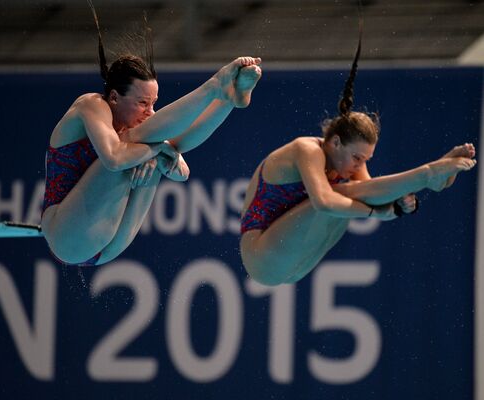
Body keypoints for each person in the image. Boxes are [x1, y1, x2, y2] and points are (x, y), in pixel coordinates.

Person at [239, 36, 476, 286]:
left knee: (351, 194)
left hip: (298, 265)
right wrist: (376, 212)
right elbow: (323, 202)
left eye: (365, 159)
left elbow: (373, 193)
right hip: (263, 258)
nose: (359, 164)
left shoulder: (350, 161)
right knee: (338, 194)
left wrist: (400, 203)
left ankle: (430, 179)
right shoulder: (306, 149)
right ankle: (425, 174)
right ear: (336, 142)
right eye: (357, 157)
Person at [41, 6, 262, 266]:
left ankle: (226, 99)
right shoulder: (91, 105)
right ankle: (215, 89)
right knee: (133, 149)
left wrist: (160, 152)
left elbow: (181, 167)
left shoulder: (139, 134)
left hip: (109, 245)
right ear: (114, 97)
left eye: (154, 103)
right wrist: (159, 150)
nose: (150, 112)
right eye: (142, 103)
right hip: (67, 236)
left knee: (149, 150)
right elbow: (113, 158)